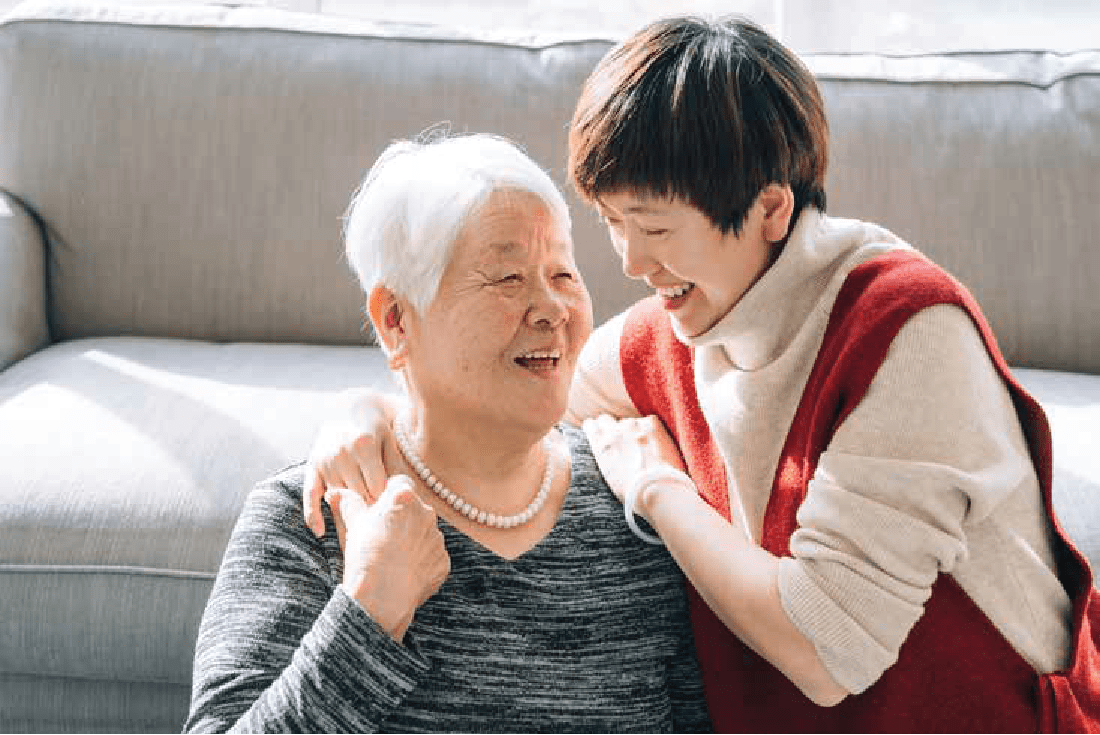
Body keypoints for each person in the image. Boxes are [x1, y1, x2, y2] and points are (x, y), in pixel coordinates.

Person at [300, 17, 1100, 734]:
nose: (630, 263)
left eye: (653, 227)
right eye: (612, 223)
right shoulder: (685, 319)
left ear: (771, 211)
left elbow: (827, 649)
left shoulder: (908, 335)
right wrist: (365, 411)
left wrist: (659, 493)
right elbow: (507, 398)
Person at [184, 133, 710, 734]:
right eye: (507, 277)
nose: (552, 309)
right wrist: (368, 613)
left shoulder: (635, 499)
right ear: (396, 320)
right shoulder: (305, 521)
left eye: (562, 272)